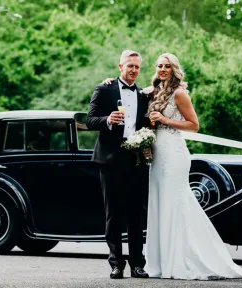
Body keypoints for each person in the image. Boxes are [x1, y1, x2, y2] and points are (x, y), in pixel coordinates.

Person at [102, 53, 242, 280]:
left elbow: (194, 125)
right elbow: (125, 88)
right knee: (159, 206)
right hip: (155, 157)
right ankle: (160, 262)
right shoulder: (151, 91)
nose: (163, 69)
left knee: (175, 204)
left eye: (167, 66)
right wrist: (109, 82)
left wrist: (165, 120)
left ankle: (182, 260)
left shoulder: (180, 93)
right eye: (159, 66)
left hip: (174, 154)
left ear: (174, 69)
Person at [86, 50, 150, 279]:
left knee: (136, 214)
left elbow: (147, 123)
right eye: (130, 65)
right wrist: (108, 120)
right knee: (113, 213)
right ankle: (116, 263)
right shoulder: (104, 89)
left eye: (137, 67)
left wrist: (147, 143)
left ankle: (138, 264)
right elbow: (89, 120)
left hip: (136, 160)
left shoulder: (143, 94)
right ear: (120, 66)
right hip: (110, 160)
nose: (133, 70)